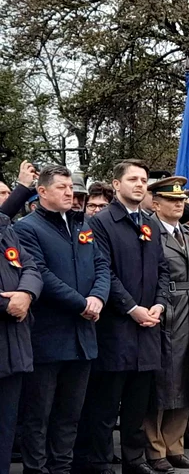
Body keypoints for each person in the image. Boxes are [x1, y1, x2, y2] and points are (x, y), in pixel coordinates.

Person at [74, 159, 170, 474]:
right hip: (116, 327)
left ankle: (134, 458)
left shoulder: (150, 223)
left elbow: (162, 269)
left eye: (143, 180)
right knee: (105, 402)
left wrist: (159, 304)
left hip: (148, 328)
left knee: (137, 402)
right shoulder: (100, 223)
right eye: (133, 179)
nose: (140, 184)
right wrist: (132, 308)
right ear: (117, 185)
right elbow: (104, 272)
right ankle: (99, 460)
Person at [12, 166, 109, 474]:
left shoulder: (83, 225)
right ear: (41, 192)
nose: (70, 193)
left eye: (71, 187)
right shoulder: (27, 228)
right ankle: (36, 469)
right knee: (38, 415)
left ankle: (62, 469)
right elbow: (40, 274)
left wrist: (99, 297)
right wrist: (82, 303)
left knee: (70, 414)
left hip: (83, 336)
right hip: (48, 337)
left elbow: (102, 266)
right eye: (62, 187)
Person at [144, 177, 189, 472]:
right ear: (155, 203)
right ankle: (154, 448)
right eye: (172, 200)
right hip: (164, 312)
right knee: (160, 385)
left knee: (188, 382)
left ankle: (175, 446)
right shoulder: (148, 233)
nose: (178, 204)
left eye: (181, 200)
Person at [0, 212, 42, 474]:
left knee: (5, 426)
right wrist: (8, 304)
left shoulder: (5, 229)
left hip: (13, 348)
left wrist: (26, 293)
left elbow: (31, 267)